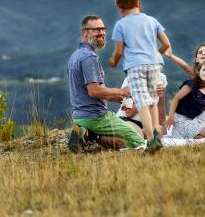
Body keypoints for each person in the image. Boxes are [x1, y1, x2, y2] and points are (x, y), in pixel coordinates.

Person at [67, 15, 162, 153]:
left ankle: (90, 134)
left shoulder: (76, 55)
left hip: (80, 116)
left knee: (123, 140)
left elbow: (95, 91)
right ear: (84, 32)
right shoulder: (89, 57)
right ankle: (93, 135)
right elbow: (94, 91)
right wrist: (121, 91)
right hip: (96, 116)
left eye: (102, 29)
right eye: (96, 29)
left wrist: (119, 99)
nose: (101, 32)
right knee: (140, 143)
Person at [108, 0, 171, 143]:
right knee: (152, 103)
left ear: (120, 9)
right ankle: (156, 136)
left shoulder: (121, 25)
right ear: (139, 4)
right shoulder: (152, 21)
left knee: (143, 103)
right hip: (155, 64)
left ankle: (151, 140)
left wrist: (113, 61)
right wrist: (154, 54)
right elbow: (166, 44)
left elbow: (119, 51)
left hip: (136, 66)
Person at [163, 61, 205, 139]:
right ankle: (184, 135)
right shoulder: (191, 85)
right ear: (199, 73)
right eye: (204, 70)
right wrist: (171, 117)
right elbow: (176, 99)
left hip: (194, 118)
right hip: (181, 119)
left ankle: (198, 131)